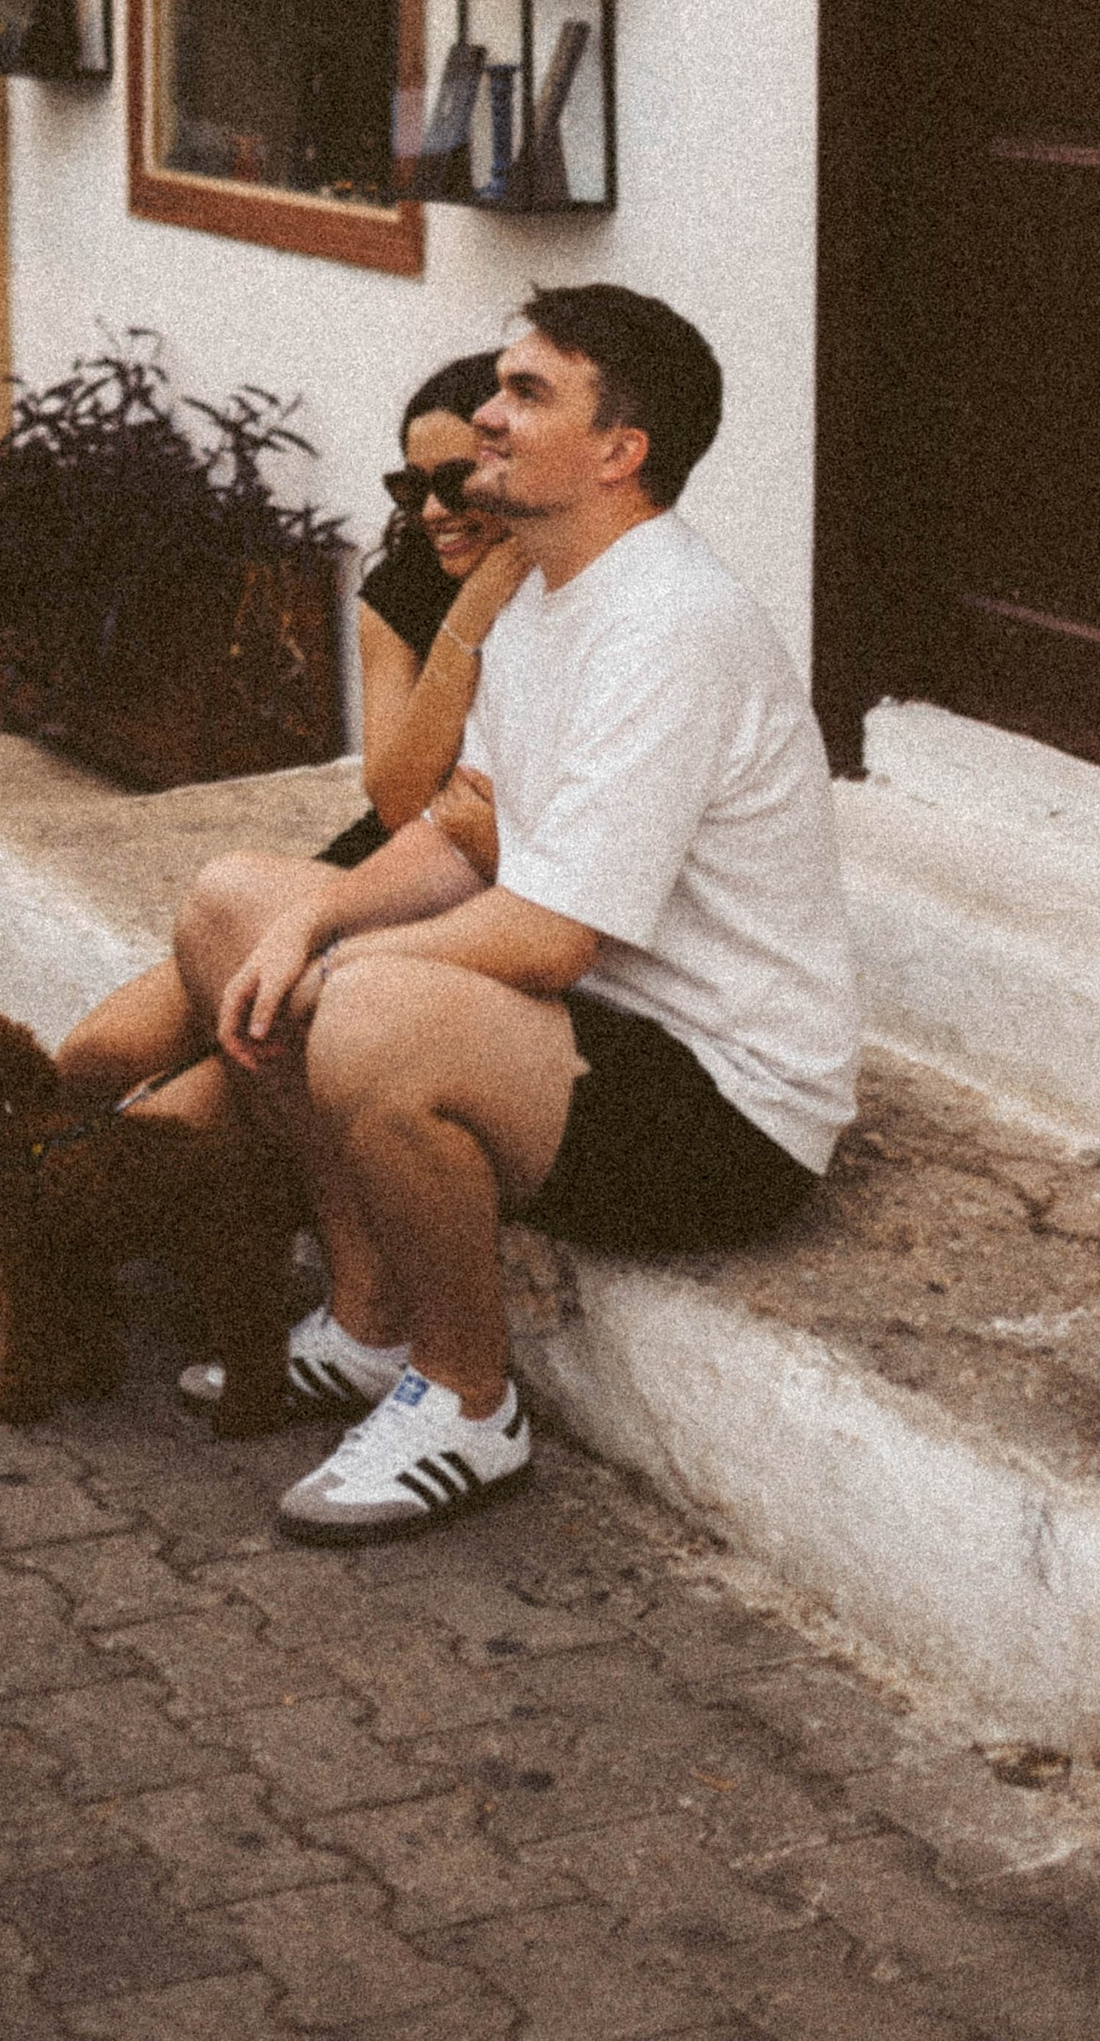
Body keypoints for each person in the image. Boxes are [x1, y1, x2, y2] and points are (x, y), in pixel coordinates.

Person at [173, 283, 860, 1545]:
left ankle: (468, 1402)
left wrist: (343, 964)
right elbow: (456, 828)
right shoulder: (544, 592)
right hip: (584, 1030)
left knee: (370, 1011)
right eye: (498, 386)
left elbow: (548, 937)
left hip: (722, 1104)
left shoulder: (671, 624)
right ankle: (372, 1325)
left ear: (618, 452)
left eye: (526, 394)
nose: (485, 415)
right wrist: (310, 923)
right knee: (232, 908)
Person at [0, 353, 520, 1283]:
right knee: (97, 1055)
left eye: (456, 481)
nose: (435, 511)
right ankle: (22, 1191)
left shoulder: (560, 596)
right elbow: (396, 797)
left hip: (455, 898)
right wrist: (466, 618)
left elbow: (428, 804)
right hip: (377, 862)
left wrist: (484, 612)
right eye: (412, 488)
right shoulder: (407, 586)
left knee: (207, 1098)